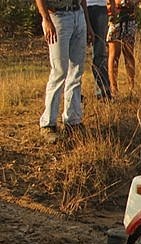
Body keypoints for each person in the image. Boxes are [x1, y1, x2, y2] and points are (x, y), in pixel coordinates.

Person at [35, 0, 94, 143]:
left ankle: (73, 121)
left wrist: (87, 22)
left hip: (77, 14)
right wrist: (47, 20)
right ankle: (48, 123)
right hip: (57, 15)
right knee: (59, 71)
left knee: (76, 71)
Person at [107, 0, 137, 98]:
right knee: (114, 54)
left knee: (129, 54)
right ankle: (114, 89)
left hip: (129, 17)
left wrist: (132, 2)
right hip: (116, 18)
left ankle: (132, 88)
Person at [87, 0, 111, 99]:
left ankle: (103, 91)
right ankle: (75, 95)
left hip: (100, 7)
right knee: (76, 56)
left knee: (100, 52)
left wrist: (112, 4)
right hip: (80, 8)